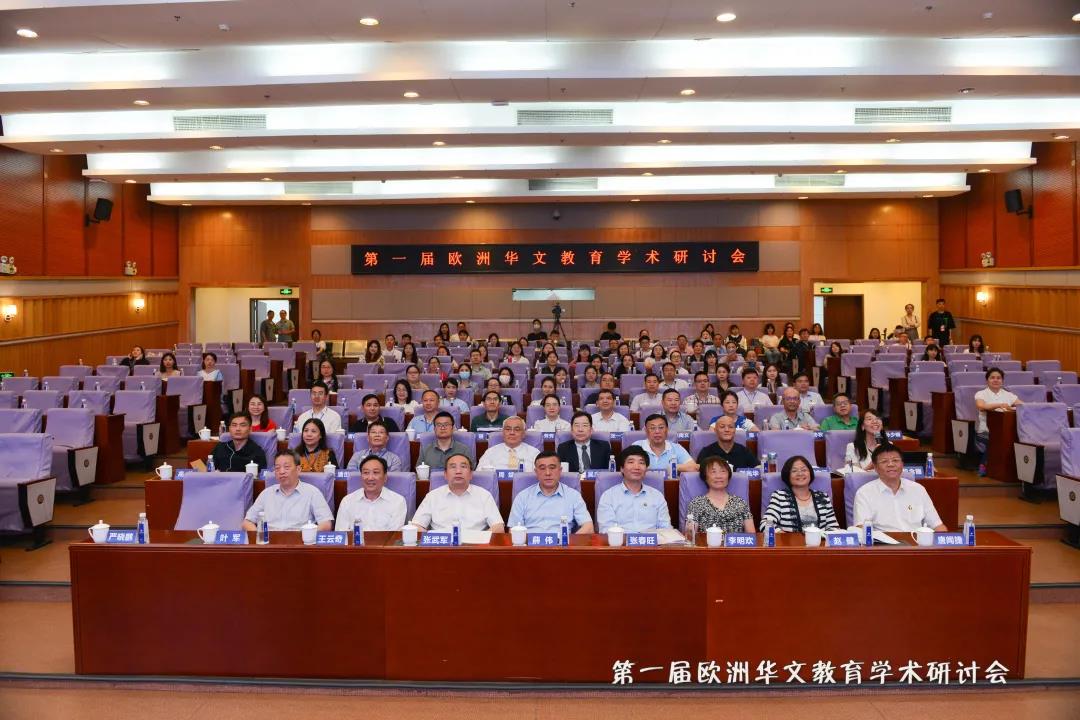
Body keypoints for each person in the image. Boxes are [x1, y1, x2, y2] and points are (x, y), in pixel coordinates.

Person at [854, 444, 946, 532]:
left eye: (895, 460)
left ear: (902, 464)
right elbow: (861, 529)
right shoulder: (864, 493)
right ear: (875, 467)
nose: (891, 464)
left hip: (916, 541)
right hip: (882, 541)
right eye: (884, 461)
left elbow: (937, 525)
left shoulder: (918, 489)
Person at [411, 453, 504, 533]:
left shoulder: (484, 495)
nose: (458, 471)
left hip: (475, 544)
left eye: (463, 467)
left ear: (471, 474)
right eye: (453, 467)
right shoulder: (433, 496)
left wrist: (480, 539)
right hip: (442, 545)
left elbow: (498, 527)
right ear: (445, 474)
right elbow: (416, 526)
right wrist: (433, 539)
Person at [243, 450, 333, 531]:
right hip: (269, 541)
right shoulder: (266, 494)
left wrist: (308, 536)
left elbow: (326, 524)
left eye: (286, 467)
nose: (281, 472)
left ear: (298, 469)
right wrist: (260, 537)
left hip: (301, 541)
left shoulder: (312, 492)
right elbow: (247, 522)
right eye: (277, 468)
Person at [508, 451, 594, 534]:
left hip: (562, 543)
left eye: (552, 468)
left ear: (560, 470)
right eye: (542, 468)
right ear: (536, 472)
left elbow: (589, 527)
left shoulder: (573, 495)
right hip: (531, 542)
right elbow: (513, 529)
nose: (548, 473)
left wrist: (569, 541)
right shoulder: (522, 497)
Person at [595, 446, 673, 533]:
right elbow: (607, 530)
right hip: (620, 541)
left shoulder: (657, 496)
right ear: (622, 468)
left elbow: (666, 528)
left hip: (653, 541)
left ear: (646, 469)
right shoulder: (608, 496)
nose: (636, 467)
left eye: (641, 463)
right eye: (631, 462)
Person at [760, 455, 840, 532]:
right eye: (794, 471)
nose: (800, 473)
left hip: (819, 541)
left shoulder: (823, 497)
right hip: (789, 541)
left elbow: (834, 528)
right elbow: (765, 524)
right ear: (787, 475)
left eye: (804, 470)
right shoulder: (780, 496)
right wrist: (783, 536)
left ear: (810, 473)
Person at [334, 455, 407, 532]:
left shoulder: (397, 501)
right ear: (361, 476)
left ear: (385, 477)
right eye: (366, 473)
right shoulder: (347, 501)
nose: (370, 478)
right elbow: (340, 533)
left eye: (376, 472)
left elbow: (393, 535)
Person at [687, 456, 755, 534]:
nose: (719, 476)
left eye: (723, 471)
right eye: (713, 472)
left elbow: (751, 535)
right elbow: (690, 536)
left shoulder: (740, 503)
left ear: (728, 476)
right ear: (705, 477)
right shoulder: (696, 503)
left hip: (735, 542)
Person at [974, 367, 1021, 476]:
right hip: (985, 431)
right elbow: (981, 406)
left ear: (1002, 380)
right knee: (995, 439)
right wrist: (1000, 405)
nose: (995, 380)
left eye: (998, 378)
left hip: (1006, 430)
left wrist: (1011, 408)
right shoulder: (981, 393)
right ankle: (983, 465)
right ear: (987, 380)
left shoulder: (1008, 395)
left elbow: (1023, 406)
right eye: (992, 378)